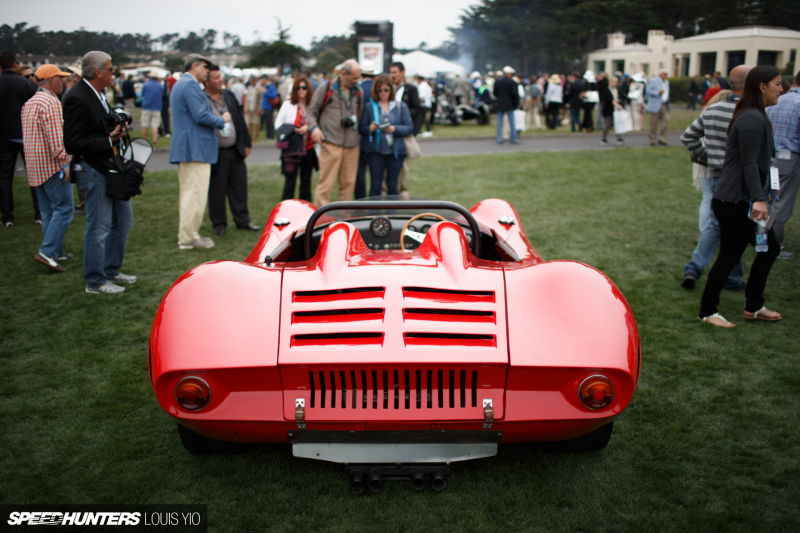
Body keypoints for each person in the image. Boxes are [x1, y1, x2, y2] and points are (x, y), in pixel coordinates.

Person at [697, 65, 784, 328]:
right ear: (762, 86)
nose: (782, 88)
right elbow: (747, 163)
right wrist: (759, 199)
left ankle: (754, 306)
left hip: (746, 200)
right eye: (778, 84)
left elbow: (760, 162)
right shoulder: (750, 118)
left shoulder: (757, 115)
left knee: (769, 247)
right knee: (730, 256)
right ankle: (707, 311)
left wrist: (765, 193)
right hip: (735, 202)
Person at [63, 51, 136, 294]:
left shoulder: (99, 93)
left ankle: (111, 270)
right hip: (93, 168)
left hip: (111, 167)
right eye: (110, 69)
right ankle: (95, 281)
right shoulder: (76, 97)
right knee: (99, 227)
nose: (113, 73)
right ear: (98, 72)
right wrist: (107, 140)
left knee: (123, 220)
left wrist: (117, 127)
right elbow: (72, 143)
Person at [680, 65, 752, 291]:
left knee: (716, 223)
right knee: (735, 227)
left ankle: (694, 268)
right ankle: (730, 277)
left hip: (718, 175)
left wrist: (710, 157)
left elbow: (688, 137)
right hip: (740, 179)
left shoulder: (713, 110)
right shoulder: (751, 113)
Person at [169, 54, 231, 250]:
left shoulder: (184, 84)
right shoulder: (190, 85)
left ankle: (188, 234)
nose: (207, 71)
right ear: (194, 66)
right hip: (194, 147)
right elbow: (201, 115)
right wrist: (223, 120)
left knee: (190, 192)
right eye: (205, 67)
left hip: (191, 147)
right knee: (194, 194)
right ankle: (188, 237)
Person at [22, 65, 73, 272]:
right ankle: (48, 250)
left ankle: (55, 251)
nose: (63, 82)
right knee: (63, 209)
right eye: (60, 78)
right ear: (51, 80)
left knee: (48, 212)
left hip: (34, 166)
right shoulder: (51, 102)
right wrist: (67, 161)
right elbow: (57, 143)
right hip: (52, 166)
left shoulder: (30, 102)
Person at [204, 65, 258, 236]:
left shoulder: (228, 95)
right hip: (216, 152)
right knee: (217, 190)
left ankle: (243, 221)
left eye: (221, 77)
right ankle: (219, 224)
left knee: (239, 188)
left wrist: (246, 143)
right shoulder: (202, 99)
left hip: (235, 150)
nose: (220, 80)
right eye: (215, 78)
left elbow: (240, 120)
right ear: (206, 81)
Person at [307, 59, 363, 206]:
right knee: (326, 184)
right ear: (343, 74)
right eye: (354, 78)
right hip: (330, 144)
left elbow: (361, 115)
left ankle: (344, 220)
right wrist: (315, 128)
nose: (357, 81)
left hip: (352, 145)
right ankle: (318, 222)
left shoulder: (359, 92)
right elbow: (311, 112)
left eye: (358, 78)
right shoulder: (325, 88)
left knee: (348, 185)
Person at [0, 51, 41, 227]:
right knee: (34, 176)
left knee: (5, 177)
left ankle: (7, 216)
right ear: (15, 64)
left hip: (3, 136)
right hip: (26, 135)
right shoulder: (25, 84)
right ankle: (40, 213)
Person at [360, 74, 413, 198]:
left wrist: (394, 129)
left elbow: (409, 127)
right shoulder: (370, 106)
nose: (383, 93)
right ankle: (374, 214)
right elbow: (362, 128)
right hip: (375, 151)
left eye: (386, 90)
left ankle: (392, 214)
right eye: (379, 90)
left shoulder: (400, 106)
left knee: (393, 186)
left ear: (391, 90)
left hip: (395, 152)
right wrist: (370, 128)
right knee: (375, 186)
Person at [765, 71, 800, 259]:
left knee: (768, 203)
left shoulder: (776, 101)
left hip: (770, 158)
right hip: (789, 160)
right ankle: (774, 246)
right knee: (781, 204)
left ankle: (761, 242)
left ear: (794, 82)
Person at [275, 74, 318, 202]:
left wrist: (308, 128)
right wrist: (293, 129)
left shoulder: (312, 105)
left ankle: (305, 209)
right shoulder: (288, 104)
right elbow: (278, 123)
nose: (301, 90)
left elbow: (317, 121)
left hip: (308, 148)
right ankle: (286, 207)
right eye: (298, 88)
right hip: (292, 149)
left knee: (306, 181)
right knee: (290, 180)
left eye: (304, 88)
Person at [354, 60, 376, 199]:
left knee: (360, 175)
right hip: (375, 136)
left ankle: (360, 202)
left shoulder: (358, 89)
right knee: (376, 177)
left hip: (360, 136)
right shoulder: (377, 89)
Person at [646, 69, 670, 146]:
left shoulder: (666, 82)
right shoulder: (654, 81)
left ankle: (662, 138)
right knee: (653, 123)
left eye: (667, 74)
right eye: (664, 74)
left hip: (664, 104)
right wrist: (657, 92)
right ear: (660, 74)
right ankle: (652, 138)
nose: (666, 76)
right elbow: (648, 91)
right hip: (655, 104)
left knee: (665, 121)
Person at [599, 76, 625, 146]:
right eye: (613, 82)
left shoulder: (617, 90)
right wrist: (614, 102)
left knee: (617, 124)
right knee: (607, 125)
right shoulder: (607, 90)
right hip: (608, 110)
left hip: (616, 110)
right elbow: (608, 100)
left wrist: (619, 103)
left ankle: (619, 138)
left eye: (616, 82)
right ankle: (603, 138)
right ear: (610, 82)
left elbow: (621, 97)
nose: (615, 84)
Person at [140, 71, 164, 145]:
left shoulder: (145, 85)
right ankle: (155, 140)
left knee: (144, 125)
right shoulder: (160, 86)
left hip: (146, 106)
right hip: (156, 107)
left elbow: (142, 94)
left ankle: (144, 140)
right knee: (155, 125)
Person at [243, 76, 265, 142]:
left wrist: (260, 109)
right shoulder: (249, 88)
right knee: (250, 123)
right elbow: (246, 98)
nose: (252, 82)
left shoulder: (259, 88)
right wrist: (245, 107)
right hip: (249, 108)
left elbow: (261, 100)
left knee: (256, 123)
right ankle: (250, 136)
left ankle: (256, 136)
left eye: (254, 80)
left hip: (256, 108)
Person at [260, 75, 278, 140]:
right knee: (267, 122)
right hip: (266, 107)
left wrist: (266, 92)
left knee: (270, 122)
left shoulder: (271, 86)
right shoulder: (266, 86)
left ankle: (271, 136)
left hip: (269, 107)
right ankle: (268, 136)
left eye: (263, 79)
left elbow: (274, 96)